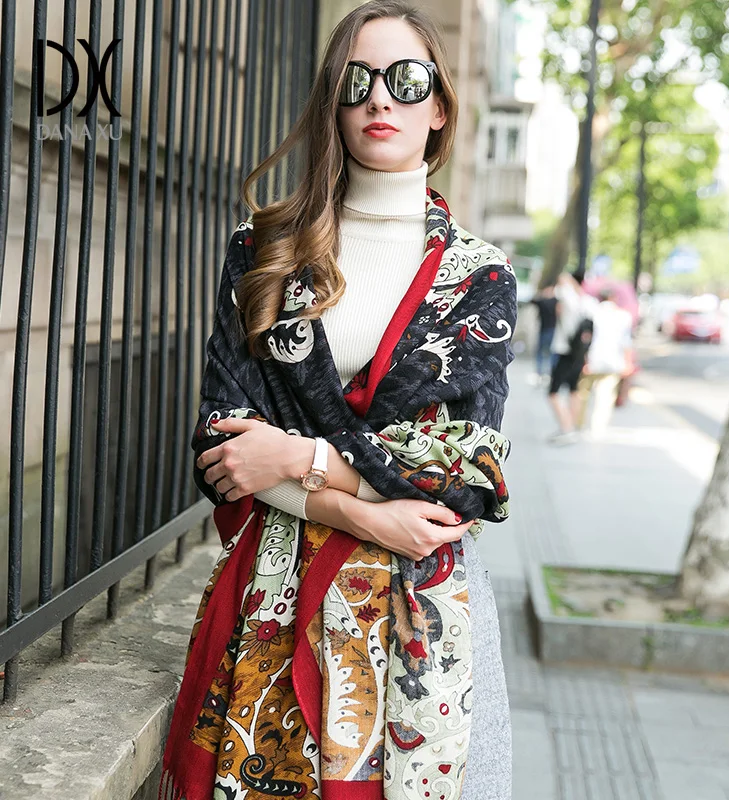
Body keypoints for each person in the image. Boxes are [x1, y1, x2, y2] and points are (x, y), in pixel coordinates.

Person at [158, 4, 516, 800]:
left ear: (440, 107)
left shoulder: (480, 278)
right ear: (333, 102)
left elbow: (463, 477)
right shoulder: (264, 250)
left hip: (420, 614)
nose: (380, 98)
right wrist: (366, 513)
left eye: (406, 80)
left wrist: (301, 458)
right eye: (358, 80)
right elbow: (222, 447)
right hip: (272, 601)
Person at [547, 271, 597, 445]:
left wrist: (566, 279)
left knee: (553, 392)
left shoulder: (569, 300)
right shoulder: (588, 302)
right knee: (573, 390)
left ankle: (567, 428)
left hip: (565, 351)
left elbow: (561, 287)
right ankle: (573, 428)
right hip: (580, 353)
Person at [576, 288, 634, 437]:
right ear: (614, 298)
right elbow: (626, 342)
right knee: (606, 397)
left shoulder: (592, 313)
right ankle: (598, 428)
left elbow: (584, 338)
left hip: (591, 360)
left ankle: (578, 423)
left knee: (582, 394)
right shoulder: (623, 316)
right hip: (614, 361)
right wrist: (628, 363)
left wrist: (583, 360)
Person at [530, 285, 557, 384]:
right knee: (550, 353)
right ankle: (549, 373)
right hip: (552, 330)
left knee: (541, 352)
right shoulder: (555, 301)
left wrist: (541, 294)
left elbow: (532, 300)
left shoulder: (542, 301)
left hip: (544, 329)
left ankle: (540, 372)